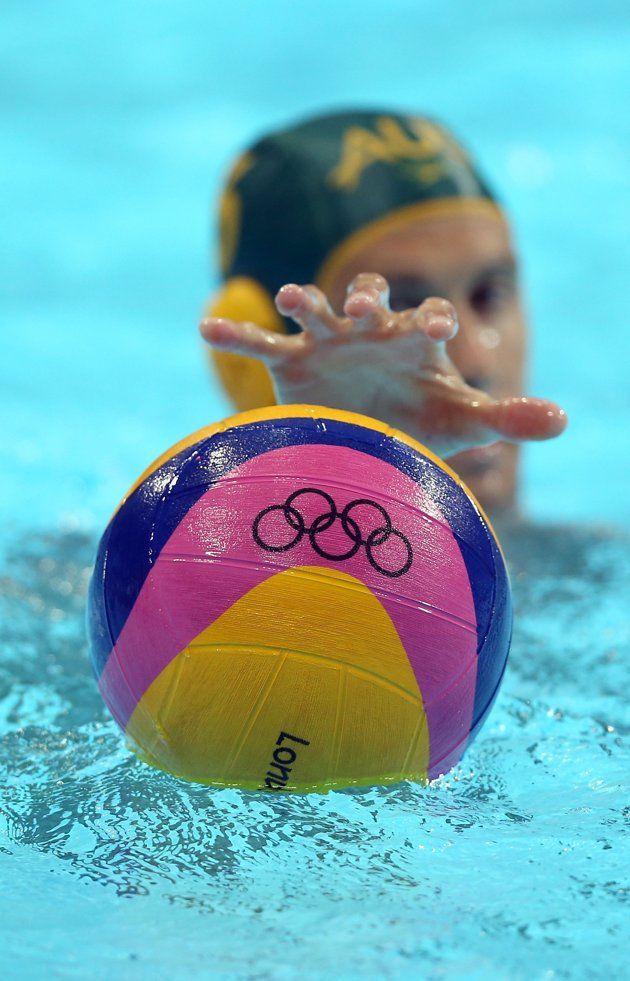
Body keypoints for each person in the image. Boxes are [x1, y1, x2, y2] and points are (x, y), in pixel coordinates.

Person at [199, 108, 567, 516]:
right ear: (252, 364)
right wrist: (340, 478)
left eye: (489, 295)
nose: (474, 363)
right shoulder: (165, 568)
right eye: (401, 311)